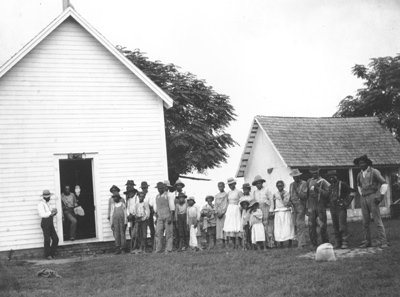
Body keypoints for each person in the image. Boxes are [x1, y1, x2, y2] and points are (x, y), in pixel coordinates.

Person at [354, 155, 389, 248]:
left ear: (367, 163)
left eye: (363, 162)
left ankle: (383, 241)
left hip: (373, 197)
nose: (361, 164)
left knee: (377, 220)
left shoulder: (374, 172)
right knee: (365, 221)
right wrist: (361, 194)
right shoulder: (359, 174)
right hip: (363, 198)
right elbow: (358, 185)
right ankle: (367, 241)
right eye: (360, 163)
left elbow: (384, 183)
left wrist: (380, 196)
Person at [327, 170, 353, 249]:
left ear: (336, 176)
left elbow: (352, 192)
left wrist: (346, 203)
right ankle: (338, 242)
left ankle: (345, 242)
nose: (331, 178)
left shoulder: (342, 184)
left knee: (342, 225)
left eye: (333, 176)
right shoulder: (330, 186)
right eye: (330, 177)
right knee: (335, 226)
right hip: (333, 208)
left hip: (340, 208)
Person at [306, 168, 330, 248]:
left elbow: (328, 193)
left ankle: (325, 242)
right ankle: (314, 243)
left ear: (318, 172)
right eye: (312, 173)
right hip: (312, 204)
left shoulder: (323, 181)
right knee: (311, 225)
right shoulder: (309, 181)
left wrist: (318, 189)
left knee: (322, 224)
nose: (314, 174)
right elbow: (307, 195)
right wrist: (307, 207)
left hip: (320, 204)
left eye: (316, 173)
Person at [251, 175, 273, 248]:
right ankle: (263, 243)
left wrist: (271, 210)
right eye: (257, 183)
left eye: (259, 183)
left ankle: (271, 243)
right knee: (260, 227)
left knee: (267, 226)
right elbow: (254, 202)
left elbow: (271, 199)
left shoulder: (266, 190)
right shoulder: (255, 192)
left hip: (266, 208)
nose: (258, 185)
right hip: (259, 210)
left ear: (262, 183)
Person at [288, 169, 308, 249]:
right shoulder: (291, 185)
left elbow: (304, 196)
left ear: (299, 176)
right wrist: (289, 201)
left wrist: (298, 192)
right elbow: (290, 195)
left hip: (301, 206)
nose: (295, 178)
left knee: (300, 224)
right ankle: (301, 241)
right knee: (295, 225)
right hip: (293, 207)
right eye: (293, 177)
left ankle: (301, 244)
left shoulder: (303, 183)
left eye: (296, 176)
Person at [37, 190, 59, 259]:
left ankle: (52, 253)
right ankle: (47, 255)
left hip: (50, 221)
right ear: (45, 197)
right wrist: (50, 213)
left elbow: (50, 213)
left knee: (55, 239)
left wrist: (54, 212)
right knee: (47, 239)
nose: (50, 198)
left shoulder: (48, 203)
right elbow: (42, 214)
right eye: (48, 197)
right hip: (45, 222)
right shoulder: (41, 204)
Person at [273, 181, 295, 248]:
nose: (280, 187)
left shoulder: (286, 193)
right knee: (279, 228)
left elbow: (286, 203)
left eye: (281, 186)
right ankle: (281, 243)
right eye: (278, 186)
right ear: (277, 187)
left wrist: (282, 197)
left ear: (283, 186)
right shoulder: (275, 194)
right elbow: (274, 203)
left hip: (285, 212)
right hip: (278, 213)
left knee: (288, 227)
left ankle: (289, 243)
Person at [154, 182, 174, 253]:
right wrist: (156, 218)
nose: (160, 189)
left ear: (164, 188)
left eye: (161, 188)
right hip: (159, 216)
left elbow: (172, 208)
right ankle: (158, 249)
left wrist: (170, 217)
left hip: (167, 215)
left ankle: (168, 249)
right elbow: (156, 209)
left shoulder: (168, 195)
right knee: (158, 232)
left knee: (169, 233)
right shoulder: (157, 197)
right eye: (158, 188)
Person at [223, 178, 243, 249]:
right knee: (231, 226)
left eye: (232, 184)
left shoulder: (239, 192)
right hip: (230, 210)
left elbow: (242, 200)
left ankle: (240, 244)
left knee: (237, 225)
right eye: (229, 185)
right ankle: (233, 245)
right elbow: (227, 202)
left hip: (236, 209)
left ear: (235, 184)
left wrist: (239, 207)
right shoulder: (228, 193)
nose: (230, 186)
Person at [141, 181, 155, 250]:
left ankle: (153, 244)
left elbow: (151, 204)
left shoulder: (150, 195)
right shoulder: (140, 195)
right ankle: (145, 245)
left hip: (149, 213)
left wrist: (146, 205)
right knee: (144, 230)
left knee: (151, 229)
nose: (144, 189)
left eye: (145, 188)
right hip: (143, 214)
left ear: (147, 187)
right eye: (143, 188)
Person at [215, 182, 228, 248]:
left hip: (224, 213)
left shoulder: (226, 194)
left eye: (222, 186)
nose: (220, 188)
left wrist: (222, 212)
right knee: (219, 228)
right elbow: (216, 205)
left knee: (224, 227)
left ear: (224, 186)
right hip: (218, 214)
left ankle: (226, 242)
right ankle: (222, 242)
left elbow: (226, 204)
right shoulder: (216, 196)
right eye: (219, 186)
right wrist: (217, 212)